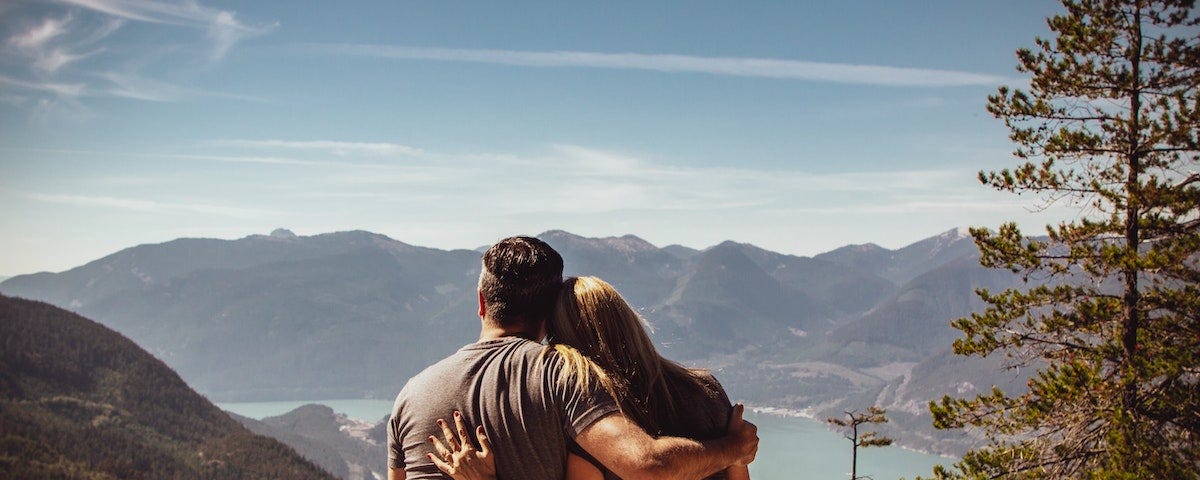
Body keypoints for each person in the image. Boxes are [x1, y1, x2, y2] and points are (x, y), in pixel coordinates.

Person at [388, 236, 758, 480]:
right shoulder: (564, 375)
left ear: (481, 301)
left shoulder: (409, 396)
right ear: (550, 312)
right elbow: (647, 464)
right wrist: (732, 449)